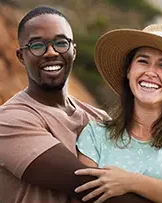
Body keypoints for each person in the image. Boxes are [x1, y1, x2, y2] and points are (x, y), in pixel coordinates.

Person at [0, 6, 153, 203]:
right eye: (37, 46)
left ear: (74, 50)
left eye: (61, 43)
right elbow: (89, 185)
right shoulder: (9, 121)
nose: (51, 52)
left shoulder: (98, 118)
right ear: (21, 56)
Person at [74, 24, 162, 203]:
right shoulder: (95, 134)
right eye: (143, 61)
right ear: (129, 71)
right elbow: (84, 196)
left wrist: (133, 182)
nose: (150, 72)